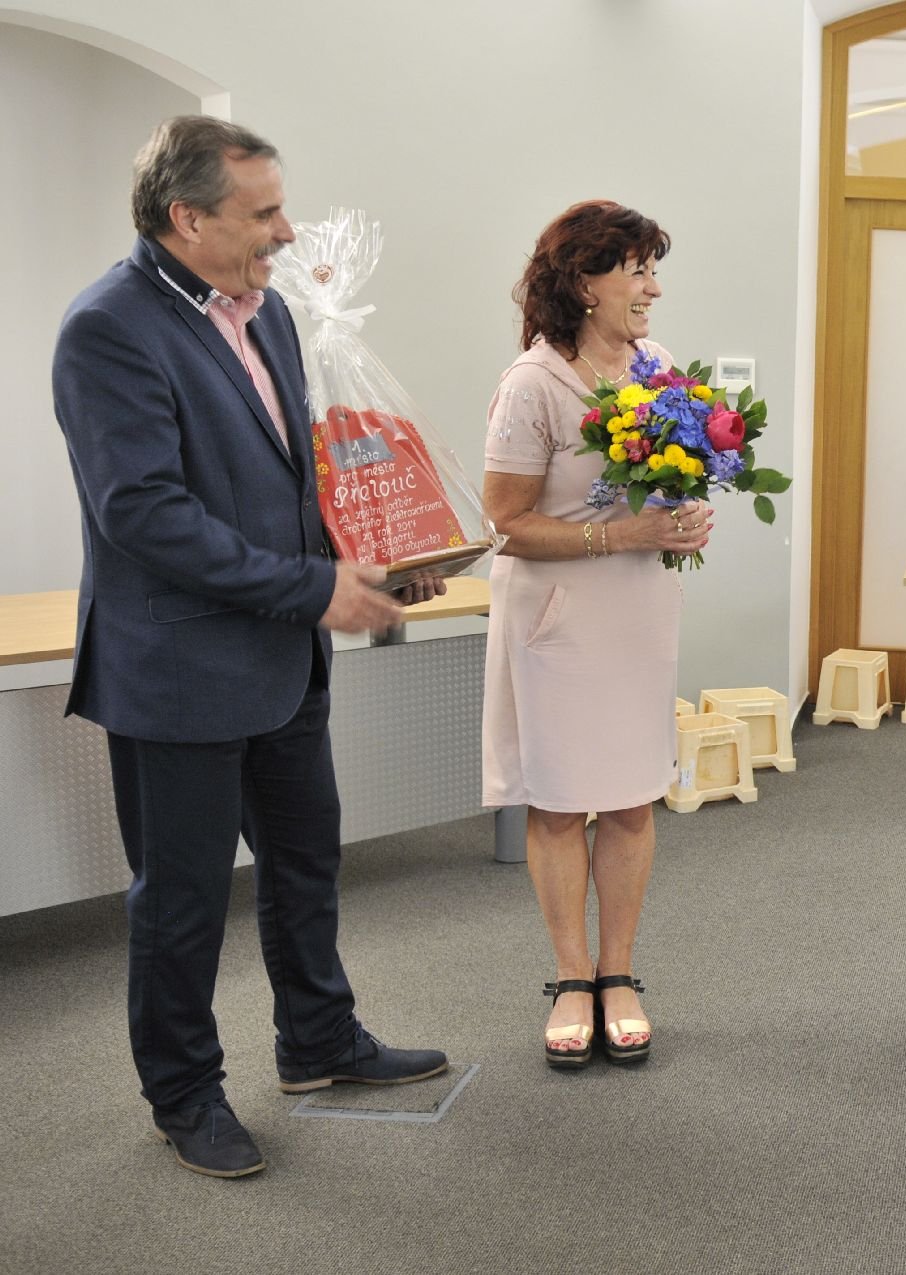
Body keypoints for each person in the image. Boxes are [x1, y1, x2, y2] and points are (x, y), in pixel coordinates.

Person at [51, 116, 449, 1179]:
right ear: (187, 218)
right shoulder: (106, 329)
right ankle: (184, 1095)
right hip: (177, 671)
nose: (287, 230)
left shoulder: (267, 314)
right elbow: (146, 516)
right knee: (182, 903)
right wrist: (317, 590)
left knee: (306, 862)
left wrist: (377, 556)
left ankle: (318, 1040)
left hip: (282, 657)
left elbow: (288, 480)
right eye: (263, 211)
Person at [482, 200, 710, 1070]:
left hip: (638, 612)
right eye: (637, 271)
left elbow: (671, 483)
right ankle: (571, 978)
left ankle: (618, 972)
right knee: (559, 802)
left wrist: (687, 515)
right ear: (584, 283)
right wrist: (622, 536)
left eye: (654, 269)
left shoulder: (658, 368)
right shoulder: (533, 384)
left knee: (629, 797)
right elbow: (505, 522)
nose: (653, 288)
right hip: (558, 620)